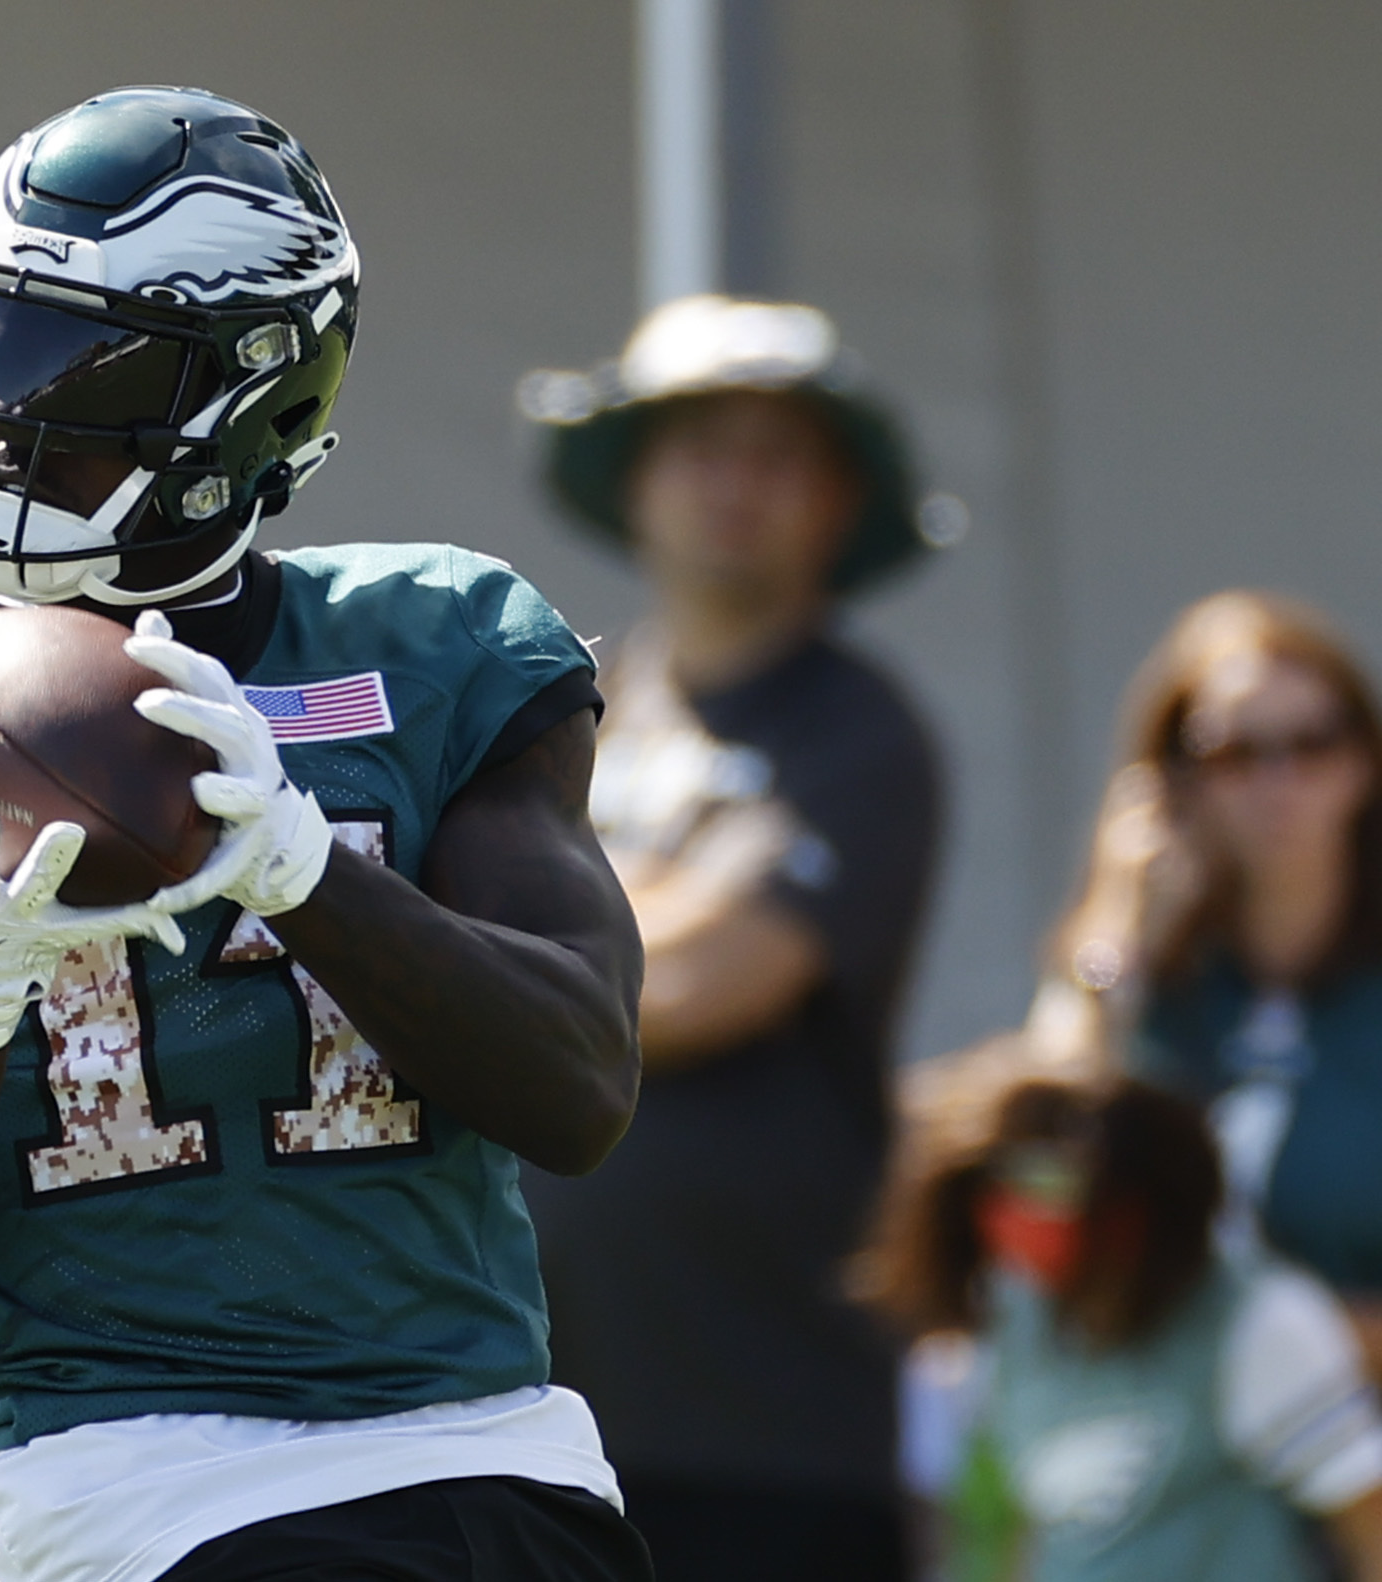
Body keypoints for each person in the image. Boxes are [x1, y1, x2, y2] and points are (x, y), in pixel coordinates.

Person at [0, 87, 650, 1582]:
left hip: (489, 1453)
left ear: (248, 399)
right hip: (132, 1491)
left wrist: (307, 872)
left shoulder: (439, 648)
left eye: (68, 365)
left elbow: (580, 1086)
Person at [519, 293, 944, 1580]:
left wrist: (507, 946)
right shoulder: (554, 714)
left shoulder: (862, 734)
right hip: (534, 1420)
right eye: (703, 445)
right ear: (634, 481)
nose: (736, 485)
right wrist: (662, 888)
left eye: (779, 455)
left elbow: (697, 984)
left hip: (772, 1442)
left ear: (837, 505)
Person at [1030, 590, 1382, 1379]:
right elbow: (1036, 1185)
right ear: (1173, 784)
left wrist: (1294, 1344)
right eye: (1235, 754)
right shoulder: (1155, 994)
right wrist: (1114, 934)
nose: (1279, 780)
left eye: (1314, 743)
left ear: (1364, 764)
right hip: (1181, 1477)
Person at [863, 1066, 1382, 1581]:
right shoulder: (1013, 1316)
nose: (1032, 1217)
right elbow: (1015, 1534)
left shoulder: (1261, 1321)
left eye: (1058, 1191)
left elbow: (1370, 1536)